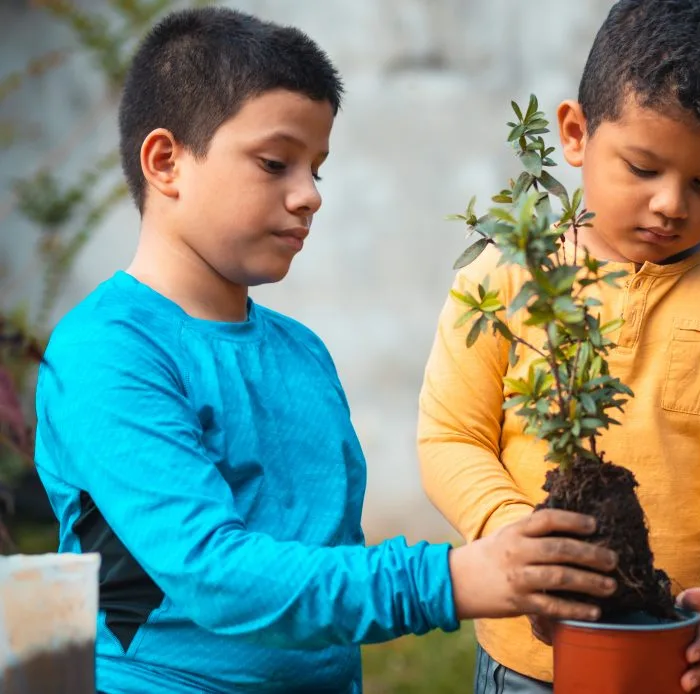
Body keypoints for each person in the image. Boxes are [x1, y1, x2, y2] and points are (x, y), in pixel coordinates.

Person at [34, 7, 619, 693]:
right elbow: (214, 573)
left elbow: (327, 569)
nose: (309, 195)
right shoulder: (105, 354)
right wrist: (452, 579)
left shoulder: (302, 353)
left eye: (317, 169)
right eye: (275, 163)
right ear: (167, 162)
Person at [417, 1, 700, 692]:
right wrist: (523, 547)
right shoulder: (508, 275)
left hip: (697, 656)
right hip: (533, 664)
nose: (672, 203)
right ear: (576, 134)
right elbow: (451, 437)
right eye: (643, 168)